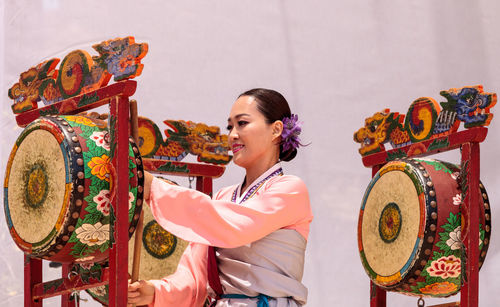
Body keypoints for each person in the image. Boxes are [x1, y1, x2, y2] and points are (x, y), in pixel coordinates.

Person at [128, 88, 313, 307]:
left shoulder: (290, 189)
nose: (233, 134)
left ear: (276, 130)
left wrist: (155, 188)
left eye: (242, 123)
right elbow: (195, 274)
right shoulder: (225, 197)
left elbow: (235, 226)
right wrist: (155, 292)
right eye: (229, 126)